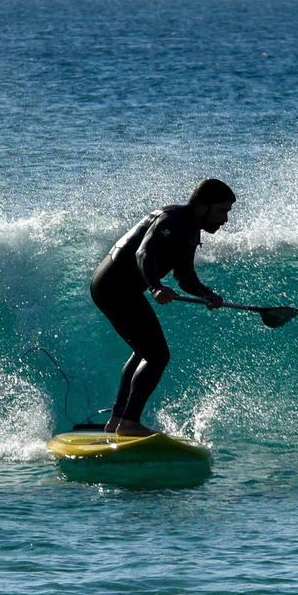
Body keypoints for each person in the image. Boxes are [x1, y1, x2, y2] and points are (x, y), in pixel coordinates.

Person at [90, 179, 235, 436]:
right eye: (222, 210)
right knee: (157, 355)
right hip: (114, 286)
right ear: (202, 205)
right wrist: (155, 286)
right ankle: (129, 423)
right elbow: (143, 253)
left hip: (119, 288)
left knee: (144, 351)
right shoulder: (172, 220)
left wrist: (206, 293)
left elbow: (184, 275)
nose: (225, 219)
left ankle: (118, 419)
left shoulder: (191, 230)